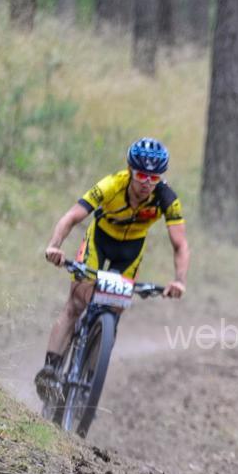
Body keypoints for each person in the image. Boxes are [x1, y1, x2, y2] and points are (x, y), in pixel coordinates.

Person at [34, 138, 190, 401]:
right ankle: (51, 367)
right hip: (100, 240)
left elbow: (180, 244)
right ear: (130, 170)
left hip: (130, 250)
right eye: (141, 175)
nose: (147, 183)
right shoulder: (111, 185)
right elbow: (72, 216)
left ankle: (91, 373)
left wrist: (179, 280)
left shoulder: (166, 198)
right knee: (76, 302)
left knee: (114, 310)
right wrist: (54, 246)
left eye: (154, 178)